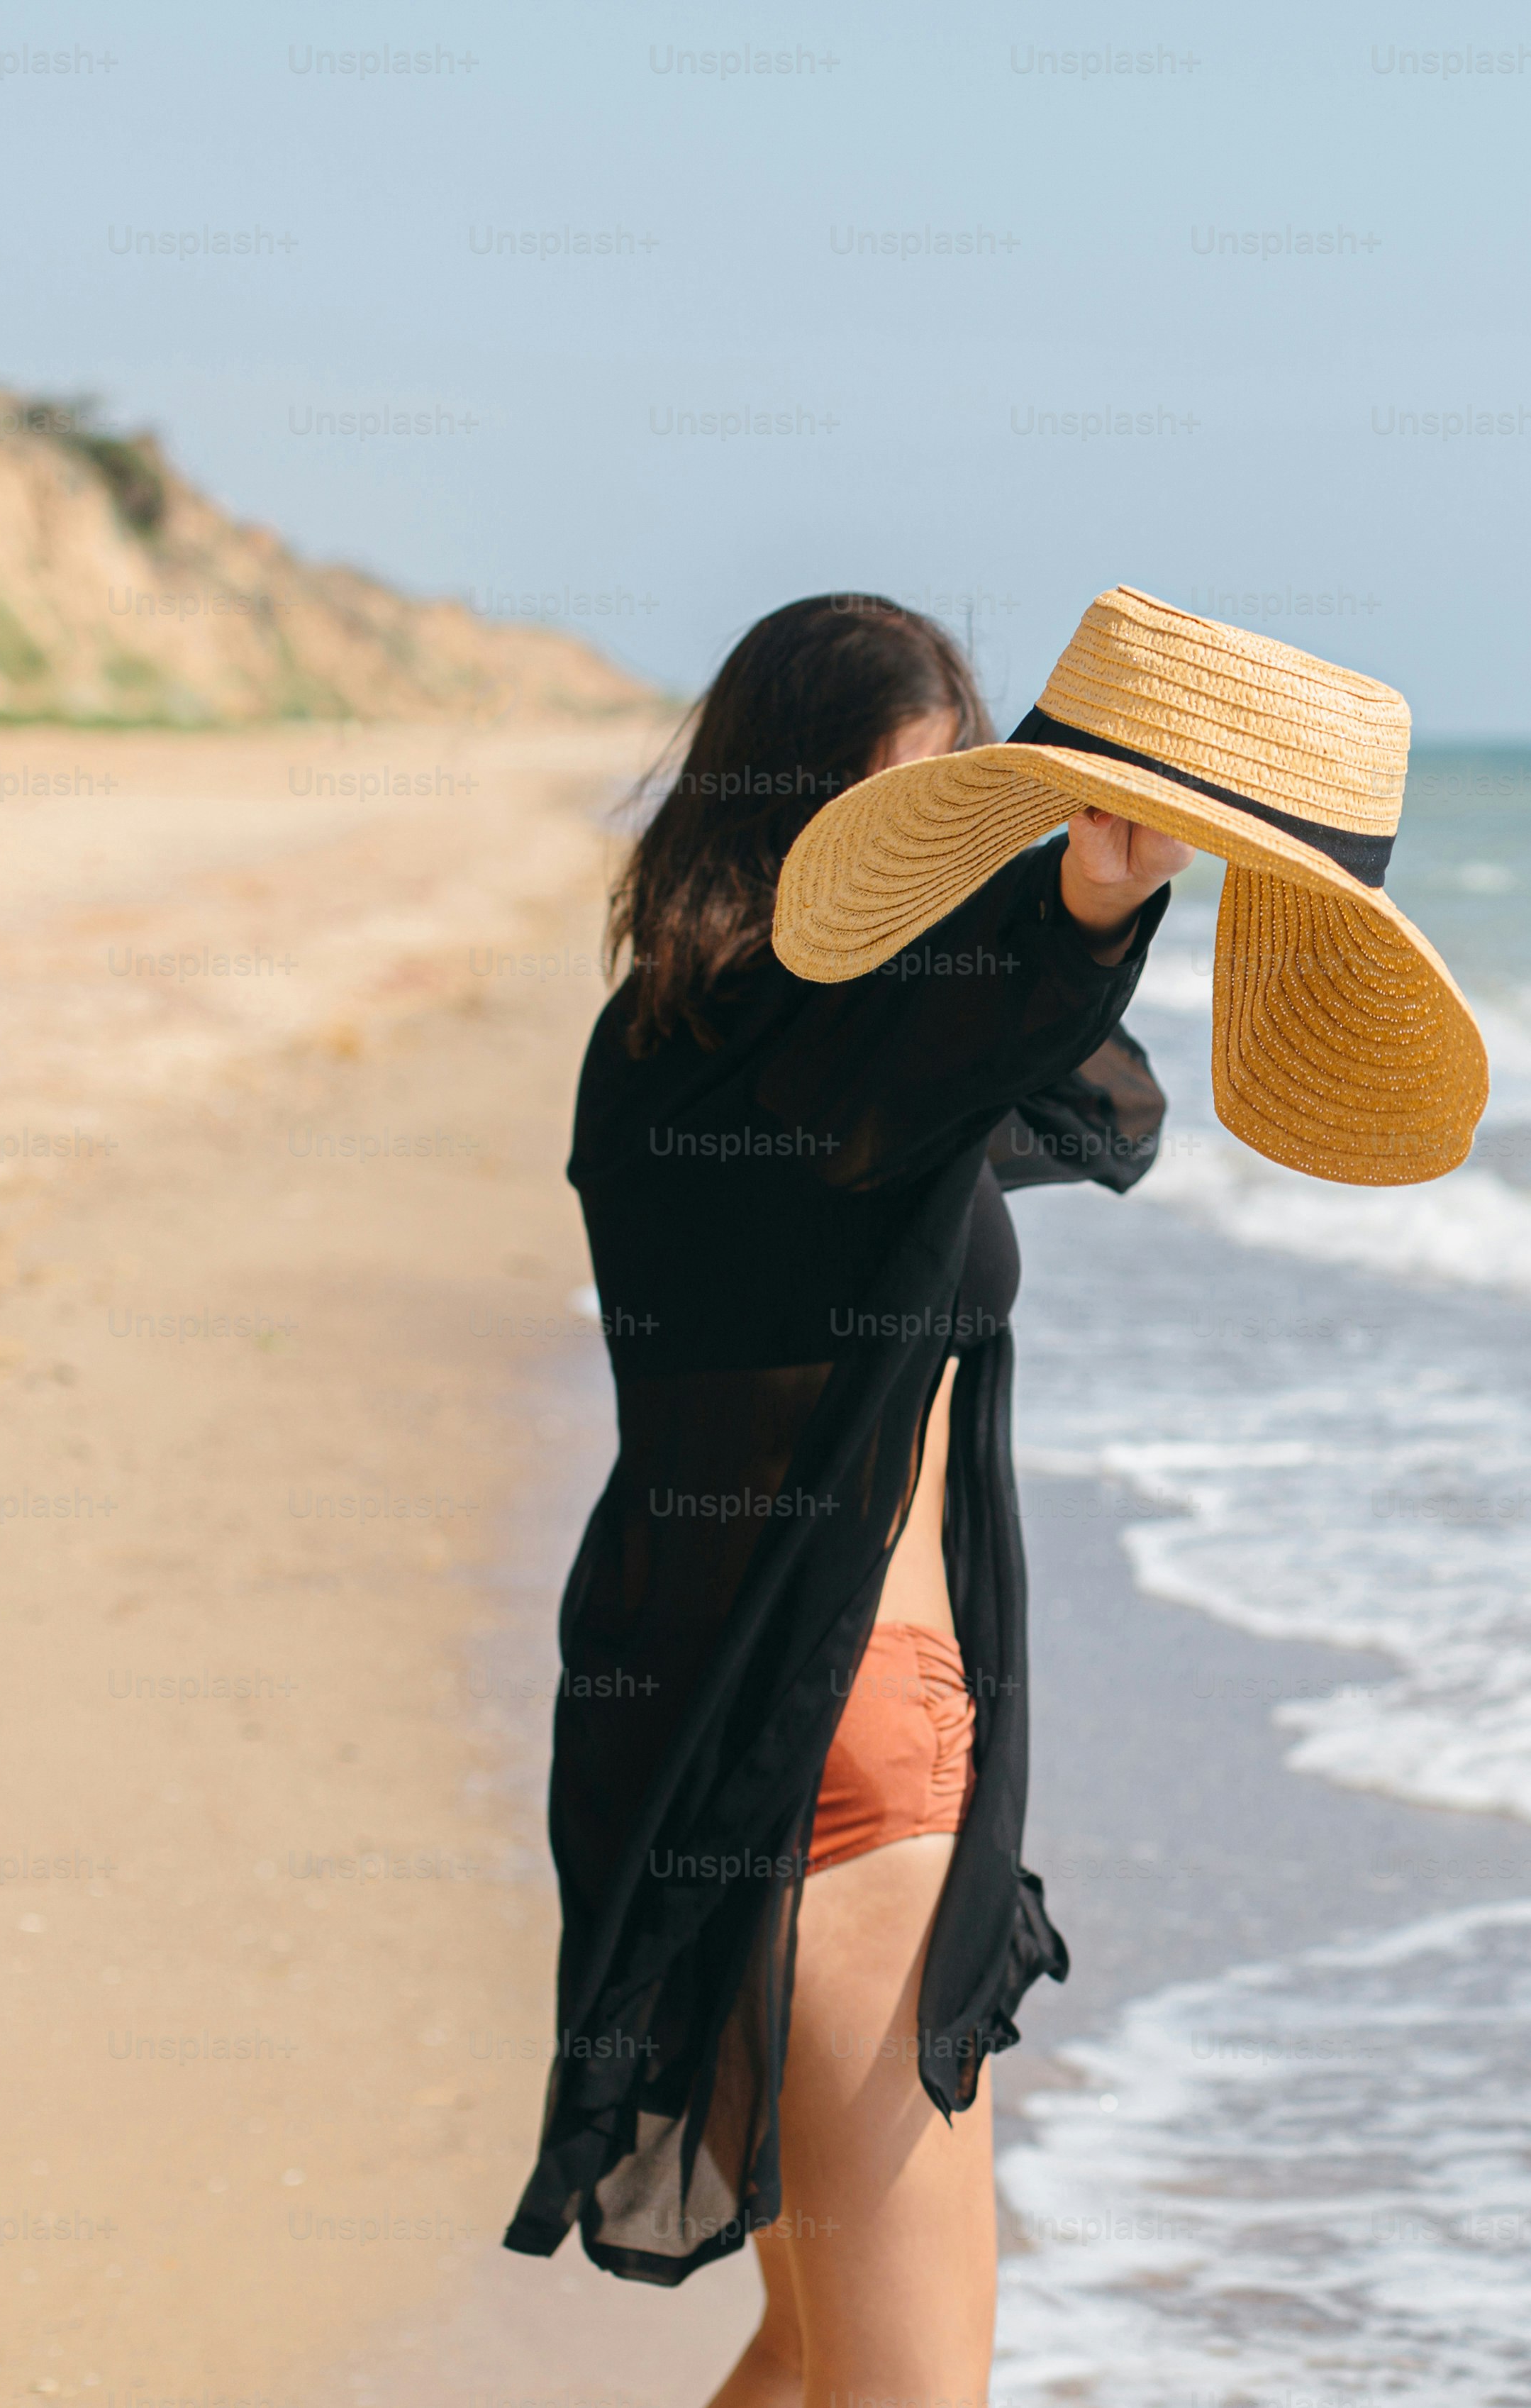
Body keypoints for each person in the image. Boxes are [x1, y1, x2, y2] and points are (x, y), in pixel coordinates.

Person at [501, 593, 1189, 2404]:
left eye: (955, 819)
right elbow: (1020, 1050)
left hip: (701, 1733)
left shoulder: (665, 1047)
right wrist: (1086, 906)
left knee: (810, 2354)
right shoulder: (828, 1063)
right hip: (860, 1751)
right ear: (791, 817)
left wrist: (1039, 919)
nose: (928, 869)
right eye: (900, 822)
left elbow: (1079, 1103)